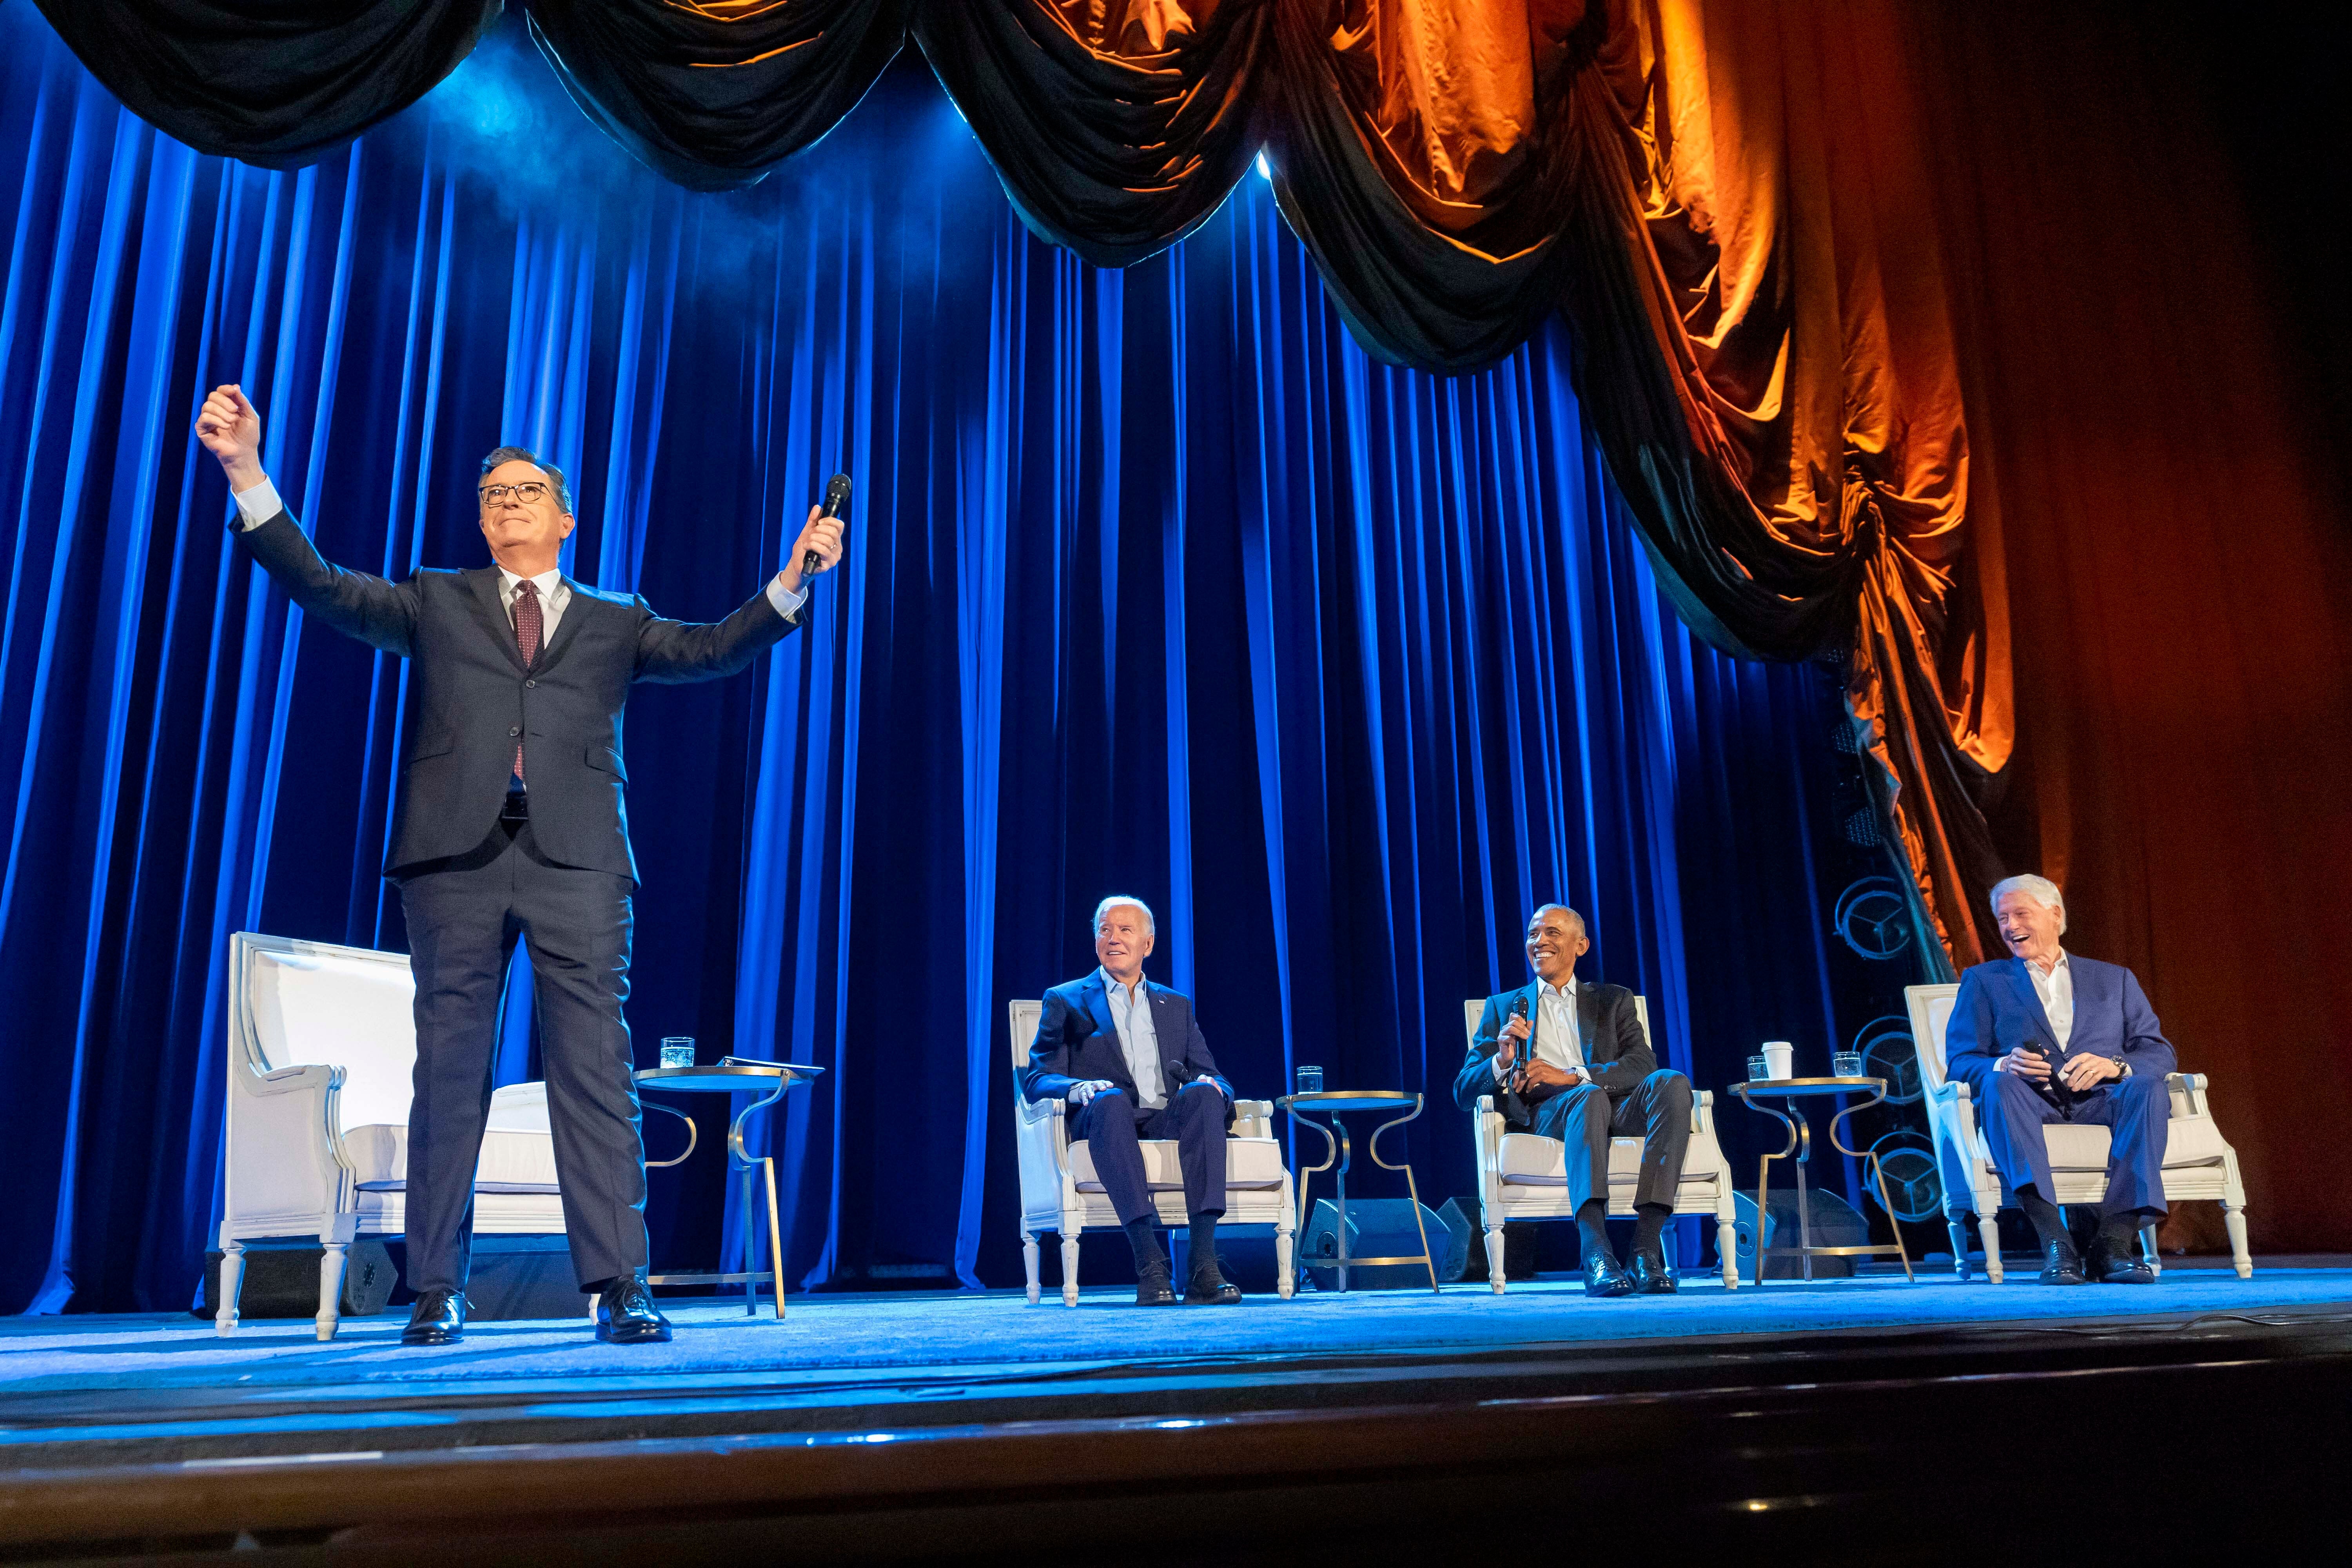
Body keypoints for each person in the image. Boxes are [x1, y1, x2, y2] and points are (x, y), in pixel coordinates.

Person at [192, 384, 846, 1347]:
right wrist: (248, 473)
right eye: (493, 494)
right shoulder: (435, 599)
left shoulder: (617, 619)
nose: (505, 504)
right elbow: (326, 585)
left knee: (596, 1069)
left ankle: (621, 1282)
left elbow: (711, 649)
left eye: (525, 492)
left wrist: (792, 579)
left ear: (565, 517)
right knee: (448, 1070)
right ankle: (437, 1288)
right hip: (453, 859)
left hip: (577, 861)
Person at [1942, 875, 2173, 1285]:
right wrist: (2002, 1064)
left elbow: (2158, 1052)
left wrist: (2115, 1065)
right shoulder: (1984, 981)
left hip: (2102, 1099)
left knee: (2147, 1086)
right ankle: (2057, 1243)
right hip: (2030, 1101)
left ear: (2055, 915)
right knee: (2000, 1085)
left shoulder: (2114, 978)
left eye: (2020, 914)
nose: (2010, 926)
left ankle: (2113, 1243)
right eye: (2002, 919)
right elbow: (1960, 1062)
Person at [1454, 905, 1691, 1297]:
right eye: (1533, 934)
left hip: (1613, 1104)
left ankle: (1646, 1249)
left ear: (1580, 945)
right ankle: (1596, 1251)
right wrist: (1501, 1061)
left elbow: (1641, 1064)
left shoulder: (1614, 1000)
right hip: (1549, 1113)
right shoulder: (1504, 1007)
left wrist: (1572, 1074)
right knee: (1587, 1098)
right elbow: (1463, 1090)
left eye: (1552, 933)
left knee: (1671, 1082)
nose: (1539, 942)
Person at [1019, 897, 1242, 1306]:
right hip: (1104, 1116)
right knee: (1111, 1098)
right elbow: (1035, 1078)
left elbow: (1214, 1074)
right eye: (1105, 930)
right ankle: (1151, 1265)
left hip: (1164, 1116)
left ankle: (1203, 1265)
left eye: (1125, 930)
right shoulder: (1066, 999)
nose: (1113, 938)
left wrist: (1217, 1088)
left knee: (1205, 1097)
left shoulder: (1175, 1005)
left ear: (1148, 944)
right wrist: (1076, 1088)